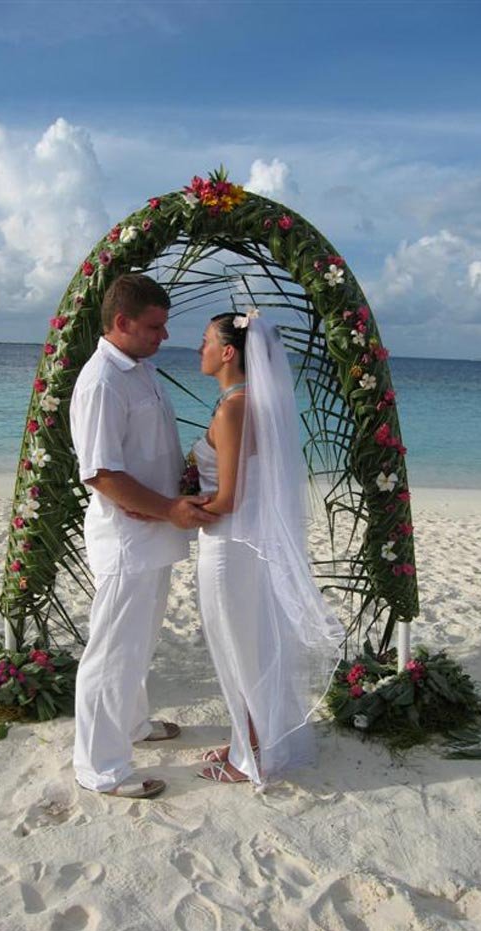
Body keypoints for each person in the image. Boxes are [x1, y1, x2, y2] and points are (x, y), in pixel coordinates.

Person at [69, 273, 217, 799]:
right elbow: (101, 473)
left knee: (138, 642)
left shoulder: (141, 370)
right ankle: (100, 767)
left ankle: (132, 724)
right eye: (155, 327)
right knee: (112, 651)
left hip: (153, 531)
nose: (165, 335)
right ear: (121, 322)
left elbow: (148, 450)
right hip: (127, 538)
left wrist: (184, 486)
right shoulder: (102, 381)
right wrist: (170, 509)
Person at [193, 310, 343, 784]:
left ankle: (251, 756)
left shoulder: (234, 408)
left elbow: (228, 498)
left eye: (206, 340)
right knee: (248, 644)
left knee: (241, 650)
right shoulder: (252, 403)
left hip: (229, 544)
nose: (200, 349)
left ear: (228, 352)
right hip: (246, 542)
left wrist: (178, 507)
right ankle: (248, 738)